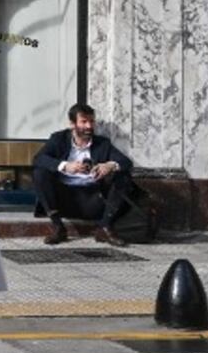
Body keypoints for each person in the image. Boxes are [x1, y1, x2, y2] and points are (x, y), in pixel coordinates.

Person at [32, 103, 139, 247]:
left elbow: (126, 162)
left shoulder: (102, 143)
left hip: (93, 199)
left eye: (91, 121)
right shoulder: (59, 139)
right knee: (40, 173)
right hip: (64, 199)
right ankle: (58, 227)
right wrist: (65, 166)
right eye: (84, 121)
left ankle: (105, 227)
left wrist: (109, 165)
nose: (89, 126)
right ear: (72, 124)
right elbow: (39, 159)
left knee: (123, 176)